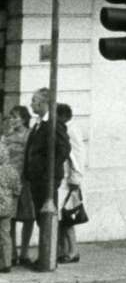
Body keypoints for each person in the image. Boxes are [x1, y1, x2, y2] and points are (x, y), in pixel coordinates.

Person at [20, 89, 70, 268]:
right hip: (36, 179)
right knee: (42, 218)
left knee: (46, 217)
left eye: (34, 101)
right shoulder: (39, 123)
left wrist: (48, 171)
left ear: (43, 104)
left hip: (46, 180)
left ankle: (50, 256)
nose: (32, 104)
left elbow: (64, 149)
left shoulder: (53, 123)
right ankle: (47, 254)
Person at [1, 108, 29, 269]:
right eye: (10, 117)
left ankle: (24, 251)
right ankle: (10, 254)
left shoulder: (28, 135)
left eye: (15, 117)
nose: (12, 120)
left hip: (23, 180)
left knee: (27, 217)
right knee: (8, 219)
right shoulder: (6, 136)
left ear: (23, 119)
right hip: (8, 182)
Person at [55, 104, 83, 264]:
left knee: (67, 217)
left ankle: (72, 251)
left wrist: (76, 179)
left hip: (68, 181)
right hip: (65, 180)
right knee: (62, 218)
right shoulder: (65, 129)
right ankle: (64, 249)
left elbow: (78, 155)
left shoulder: (71, 130)